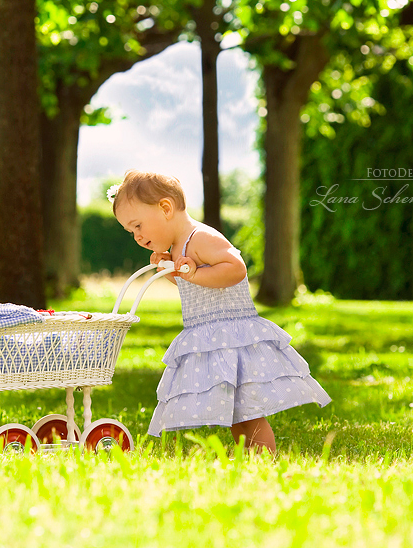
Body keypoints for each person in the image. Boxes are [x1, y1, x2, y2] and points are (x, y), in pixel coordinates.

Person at [110, 170, 331, 453]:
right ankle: (250, 458)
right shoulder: (179, 247)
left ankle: (266, 459)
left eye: (138, 226)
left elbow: (235, 268)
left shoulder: (200, 237)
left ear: (165, 208)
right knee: (237, 414)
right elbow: (192, 284)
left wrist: (188, 272)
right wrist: (170, 269)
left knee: (249, 411)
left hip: (232, 335)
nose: (137, 237)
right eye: (131, 232)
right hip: (213, 338)